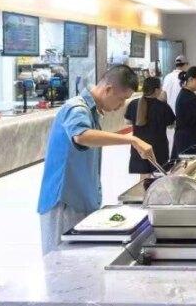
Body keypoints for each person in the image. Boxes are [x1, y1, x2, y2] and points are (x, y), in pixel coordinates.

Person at [37, 65, 154, 255]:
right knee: (60, 261)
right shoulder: (76, 108)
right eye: (121, 99)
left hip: (82, 199)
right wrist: (131, 139)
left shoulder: (91, 112)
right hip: (65, 203)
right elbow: (81, 136)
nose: (121, 106)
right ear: (108, 89)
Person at [125, 77, 175, 181]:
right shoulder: (163, 106)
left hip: (139, 145)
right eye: (160, 88)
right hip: (158, 147)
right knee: (159, 176)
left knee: (144, 177)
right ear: (156, 90)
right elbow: (171, 125)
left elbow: (128, 122)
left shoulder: (133, 103)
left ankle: (144, 191)